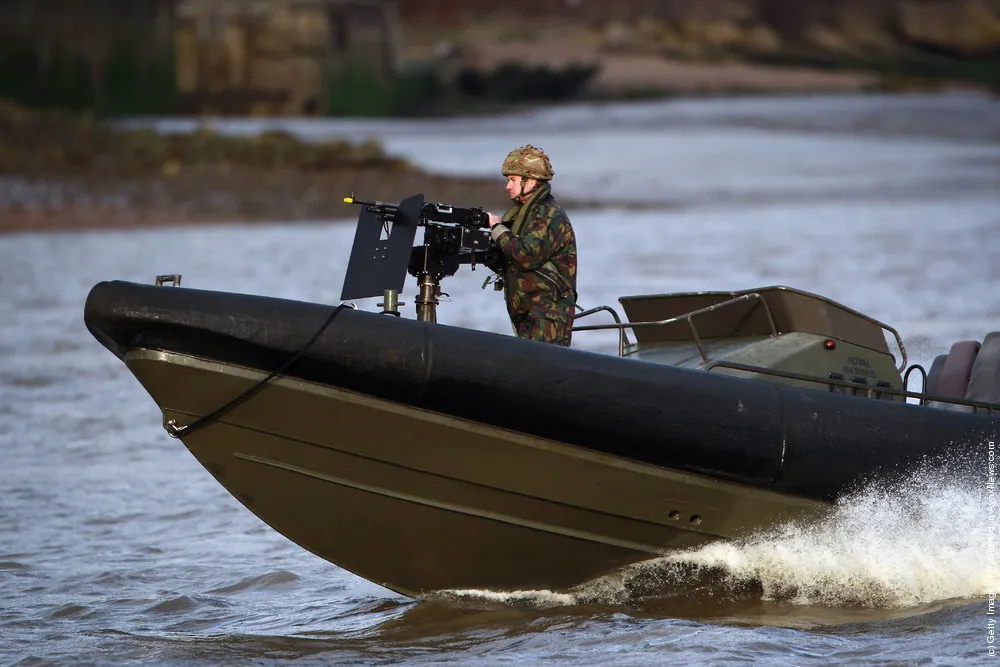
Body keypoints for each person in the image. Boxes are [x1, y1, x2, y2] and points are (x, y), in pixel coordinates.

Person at [485, 145, 577, 346]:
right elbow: (510, 259)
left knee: (545, 365)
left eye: (513, 180)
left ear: (531, 181)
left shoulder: (548, 214)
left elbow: (525, 256)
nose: (508, 186)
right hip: (530, 314)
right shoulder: (526, 214)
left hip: (547, 317)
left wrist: (498, 229)